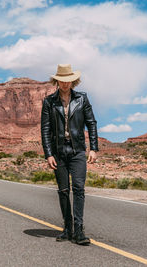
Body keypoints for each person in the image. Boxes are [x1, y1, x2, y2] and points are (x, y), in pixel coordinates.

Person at [40, 64, 98, 246]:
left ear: (73, 81)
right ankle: (67, 228)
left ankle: (79, 230)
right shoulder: (49, 102)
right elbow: (45, 129)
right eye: (62, 81)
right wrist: (48, 154)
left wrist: (93, 148)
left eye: (68, 81)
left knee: (79, 189)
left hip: (78, 150)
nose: (65, 84)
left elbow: (91, 123)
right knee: (63, 190)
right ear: (57, 81)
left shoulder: (82, 99)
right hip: (58, 151)